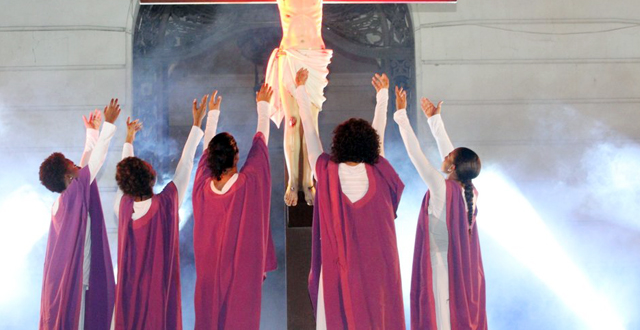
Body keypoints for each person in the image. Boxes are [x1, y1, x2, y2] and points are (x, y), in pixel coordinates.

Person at [183, 0, 412, 207]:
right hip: (289, 56)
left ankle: (308, 182)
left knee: (309, 121)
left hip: (313, 58)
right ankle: (293, 181)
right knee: (292, 122)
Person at [294, 68, 405, 329]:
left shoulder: (325, 172)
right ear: (371, 146)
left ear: (338, 145)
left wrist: (301, 90)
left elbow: (310, 133)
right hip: (378, 267)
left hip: (338, 269)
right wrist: (383, 96)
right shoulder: (380, 172)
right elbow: (380, 131)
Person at [393, 88, 487, 330]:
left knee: (441, 319)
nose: (443, 156)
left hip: (440, 265)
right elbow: (452, 154)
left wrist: (401, 115)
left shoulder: (441, 187)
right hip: (463, 269)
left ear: (452, 167)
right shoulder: (471, 191)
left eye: (448, 157)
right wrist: (434, 120)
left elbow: (416, 155)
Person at [112, 95, 208, 330]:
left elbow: (125, 176)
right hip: (157, 306)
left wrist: (128, 140)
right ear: (152, 178)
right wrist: (196, 125)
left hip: (127, 304)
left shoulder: (122, 208)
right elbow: (184, 167)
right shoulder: (166, 205)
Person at [192, 83, 277, 329]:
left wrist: (212, 116)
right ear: (237, 156)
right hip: (241, 278)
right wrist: (264, 105)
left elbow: (206, 153)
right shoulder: (248, 184)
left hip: (208, 278)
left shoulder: (201, 189)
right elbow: (261, 144)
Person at [39, 100, 121, 330]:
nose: (76, 164)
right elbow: (92, 164)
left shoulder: (63, 202)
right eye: (70, 163)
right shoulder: (73, 195)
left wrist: (92, 132)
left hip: (64, 283)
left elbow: (86, 164)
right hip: (75, 284)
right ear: (68, 177)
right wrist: (109, 125)